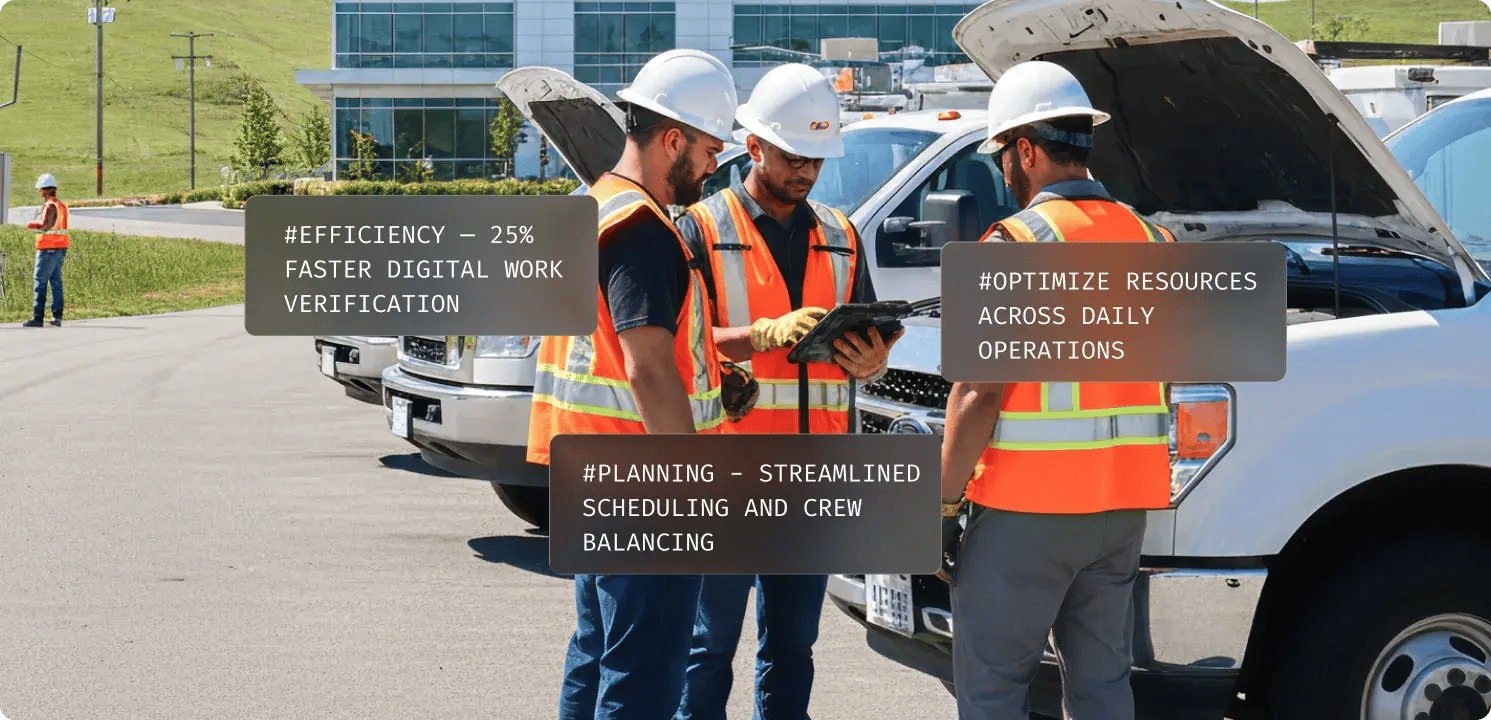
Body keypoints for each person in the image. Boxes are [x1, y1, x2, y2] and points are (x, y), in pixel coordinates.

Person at [938, 60, 1177, 720]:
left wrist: (939, 504)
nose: (1002, 174)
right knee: (1102, 689)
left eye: (1001, 159)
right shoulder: (1155, 241)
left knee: (992, 691)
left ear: (1024, 150)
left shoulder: (1010, 244)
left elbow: (976, 394)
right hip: (1121, 510)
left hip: (1024, 512)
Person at [673, 63, 902, 720]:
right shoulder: (700, 229)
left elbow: (870, 336)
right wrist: (760, 333)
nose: (805, 172)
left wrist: (870, 361)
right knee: (707, 645)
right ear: (754, 147)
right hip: (725, 471)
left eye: (817, 160)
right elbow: (676, 348)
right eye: (793, 156)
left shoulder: (840, 235)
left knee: (792, 646)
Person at [523, 49, 740, 720]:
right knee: (642, 682)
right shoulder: (643, 230)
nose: (713, 165)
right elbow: (646, 366)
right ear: (672, 138)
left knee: (597, 658)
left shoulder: (598, 208)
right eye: (708, 149)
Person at [24, 173, 70, 327]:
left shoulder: (50, 205)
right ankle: (57, 317)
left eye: (40, 190)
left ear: (45, 190)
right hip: (60, 248)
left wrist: (31, 224)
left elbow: (46, 225)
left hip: (48, 249)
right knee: (56, 282)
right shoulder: (61, 205)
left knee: (40, 282)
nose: (40, 193)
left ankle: (38, 318)